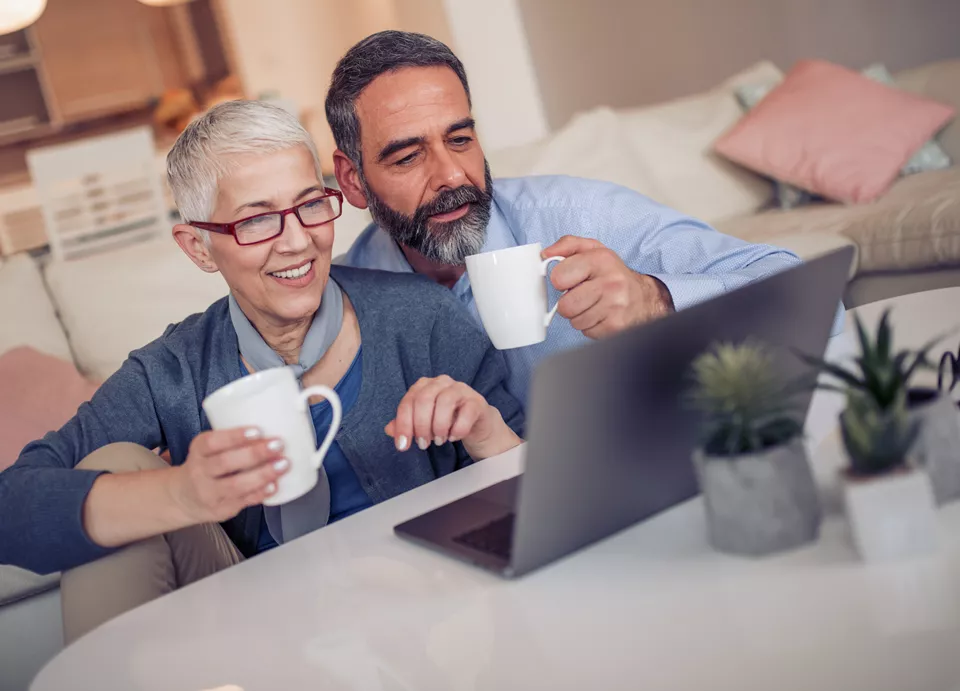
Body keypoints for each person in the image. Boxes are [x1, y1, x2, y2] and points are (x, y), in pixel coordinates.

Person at [0, 101, 523, 643]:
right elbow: (9, 508)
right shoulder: (171, 371)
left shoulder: (421, 317)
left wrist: (486, 431)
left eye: (310, 204)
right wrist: (181, 493)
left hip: (434, 615)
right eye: (255, 220)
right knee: (112, 466)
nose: (297, 241)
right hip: (257, 631)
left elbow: (544, 504)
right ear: (199, 248)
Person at [329, 31, 842, 404]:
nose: (451, 175)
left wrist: (656, 299)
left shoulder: (577, 214)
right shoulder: (349, 301)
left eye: (460, 139)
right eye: (408, 157)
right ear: (352, 181)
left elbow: (811, 297)